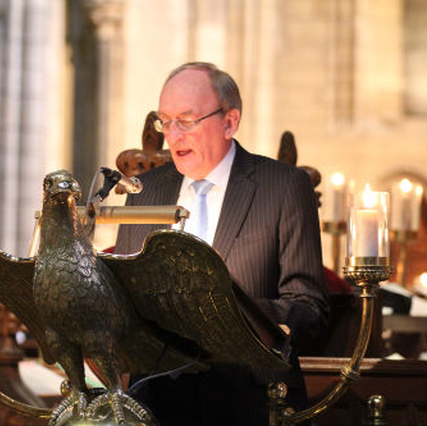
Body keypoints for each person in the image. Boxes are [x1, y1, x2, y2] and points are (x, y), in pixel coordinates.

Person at [114, 62, 329, 425]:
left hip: (253, 401)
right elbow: (123, 294)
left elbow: (309, 307)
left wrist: (224, 316)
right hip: (156, 400)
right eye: (164, 121)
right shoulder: (145, 192)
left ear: (230, 121)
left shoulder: (284, 186)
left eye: (186, 120)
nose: (172, 136)